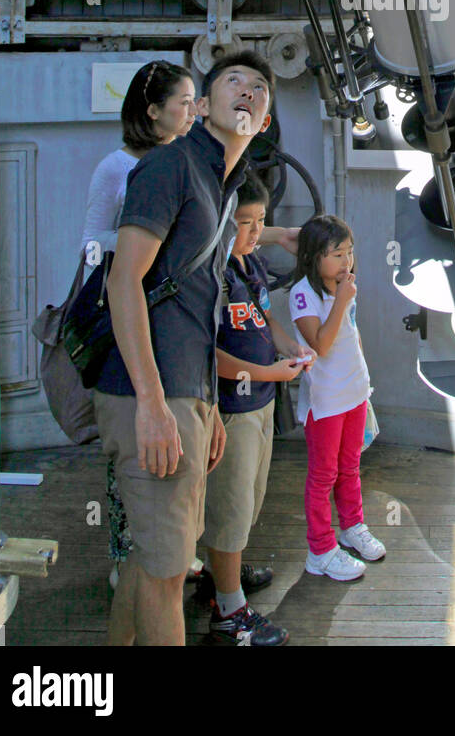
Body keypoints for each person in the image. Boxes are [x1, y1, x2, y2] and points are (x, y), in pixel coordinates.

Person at [91, 49, 276, 647]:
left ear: (265, 121)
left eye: (259, 88)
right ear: (200, 108)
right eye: (232, 82)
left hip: (185, 395)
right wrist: (153, 405)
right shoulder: (170, 167)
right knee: (170, 576)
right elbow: (124, 281)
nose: (246, 90)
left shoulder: (222, 189)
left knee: (154, 563)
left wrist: (210, 408)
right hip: (151, 393)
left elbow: (198, 305)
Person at [79, 60, 196, 605]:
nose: (193, 112)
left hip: (174, 328)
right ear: (152, 112)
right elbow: (89, 243)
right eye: (183, 103)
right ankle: (127, 563)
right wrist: (135, 242)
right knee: (133, 453)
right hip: (130, 317)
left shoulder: (189, 162)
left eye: (197, 101)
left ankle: (170, 556)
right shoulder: (116, 167)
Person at [197, 171, 314, 647]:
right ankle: (229, 612)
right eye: (243, 223)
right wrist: (272, 374)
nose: (252, 232)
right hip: (233, 409)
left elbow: (265, 319)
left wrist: (292, 350)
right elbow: (211, 356)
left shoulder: (250, 265)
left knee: (250, 498)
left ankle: (217, 574)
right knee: (229, 505)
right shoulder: (210, 274)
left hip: (262, 403)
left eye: (260, 221)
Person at [289, 214, 385, 582]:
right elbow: (322, 345)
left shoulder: (342, 287)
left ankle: (352, 527)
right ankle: (320, 548)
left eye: (350, 252)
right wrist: (342, 300)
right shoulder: (304, 293)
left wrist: (364, 382)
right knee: (323, 475)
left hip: (355, 392)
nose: (347, 262)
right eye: (336, 253)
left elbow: (352, 336)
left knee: (350, 466)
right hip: (326, 401)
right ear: (315, 256)